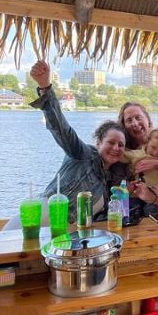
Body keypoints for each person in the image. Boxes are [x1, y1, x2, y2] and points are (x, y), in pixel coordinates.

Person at [24, 60, 130, 224]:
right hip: (40, 222)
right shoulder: (83, 155)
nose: (116, 148)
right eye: (111, 142)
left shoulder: (107, 183)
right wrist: (45, 88)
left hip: (70, 239)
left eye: (121, 145)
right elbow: (62, 130)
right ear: (99, 142)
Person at [122, 128, 158, 204]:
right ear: (147, 143)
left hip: (157, 195)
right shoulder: (137, 154)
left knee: (152, 211)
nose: (155, 153)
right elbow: (121, 155)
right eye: (153, 147)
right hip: (137, 193)